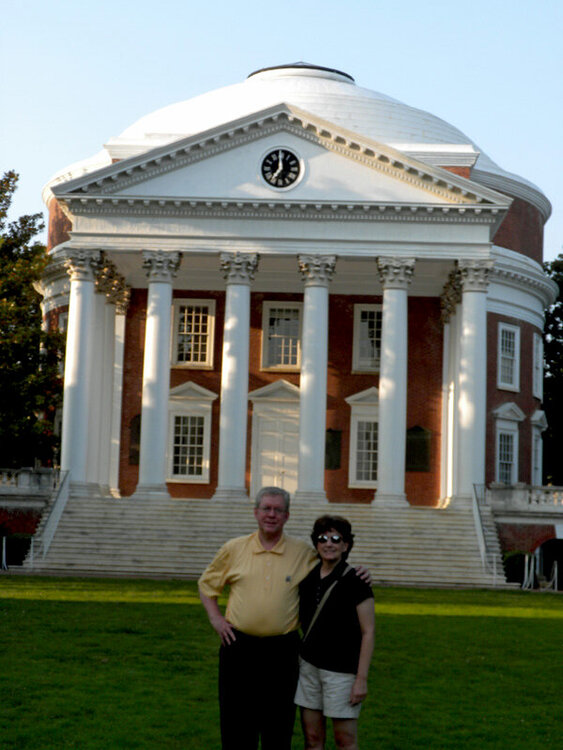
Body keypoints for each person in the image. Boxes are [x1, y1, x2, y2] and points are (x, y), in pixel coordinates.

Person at [198, 487, 372, 750]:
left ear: (287, 516)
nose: (271, 515)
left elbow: (332, 558)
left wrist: (359, 571)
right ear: (256, 512)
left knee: (277, 726)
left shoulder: (303, 552)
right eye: (266, 508)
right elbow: (207, 585)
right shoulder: (234, 549)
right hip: (239, 648)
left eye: (278, 510)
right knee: (236, 722)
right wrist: (216, 619)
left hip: (283, 651)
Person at [294, 516, 375, 750]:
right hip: (308, 669)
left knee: (345, 741)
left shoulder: (356, 581)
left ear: (346, 545)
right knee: (312, 739)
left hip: (342, 673)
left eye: (336, 539)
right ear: (316, 544)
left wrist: (361, 679)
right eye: (323, 538)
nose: (329, 544)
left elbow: (368, 632)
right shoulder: (308, 578)